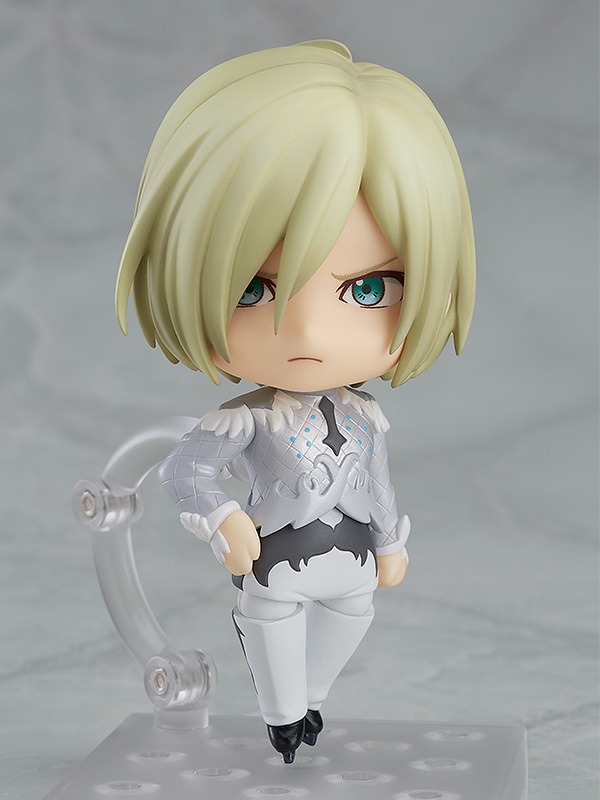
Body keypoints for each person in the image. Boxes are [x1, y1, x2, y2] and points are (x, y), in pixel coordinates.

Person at [115, 39, 476, 763]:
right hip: (276, 559)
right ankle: (283, 714)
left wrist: (391, 542)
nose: (308, 333)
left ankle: (309, 700)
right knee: (272, 626)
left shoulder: (366, 415)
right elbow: (183, 470)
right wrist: (223, 517)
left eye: (367, 289)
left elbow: (378, 481)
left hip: (353, 560)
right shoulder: (245, 417)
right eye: (253, 288)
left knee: (351, 618)